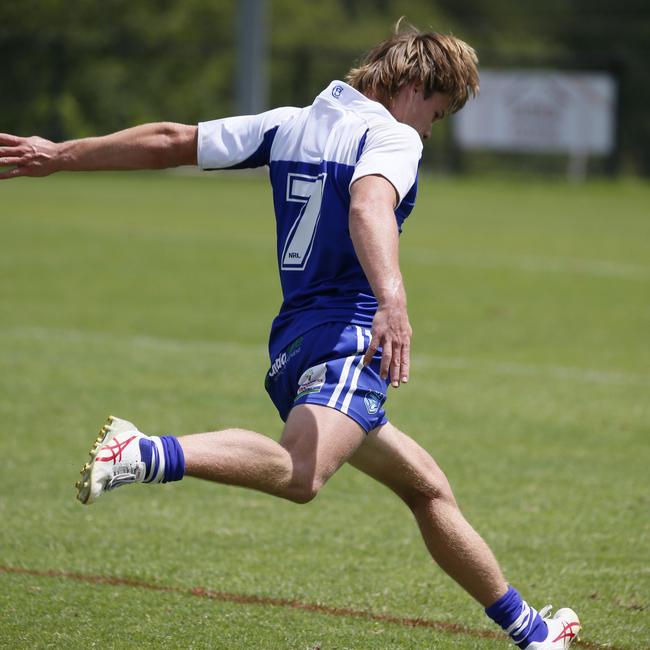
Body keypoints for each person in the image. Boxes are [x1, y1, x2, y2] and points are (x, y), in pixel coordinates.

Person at [0, 23, 580, 649]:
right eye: (435, 114)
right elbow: (369, 206)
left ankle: (532, 633)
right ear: (414, 87)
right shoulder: (391, 137)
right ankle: (143, 452)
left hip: (294, 343)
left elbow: (170, 141)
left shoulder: (291, 123)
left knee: (427, 488)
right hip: (349, 339)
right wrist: (394, 303)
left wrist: (57, 155)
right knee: (302, 474)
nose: (430, 131)